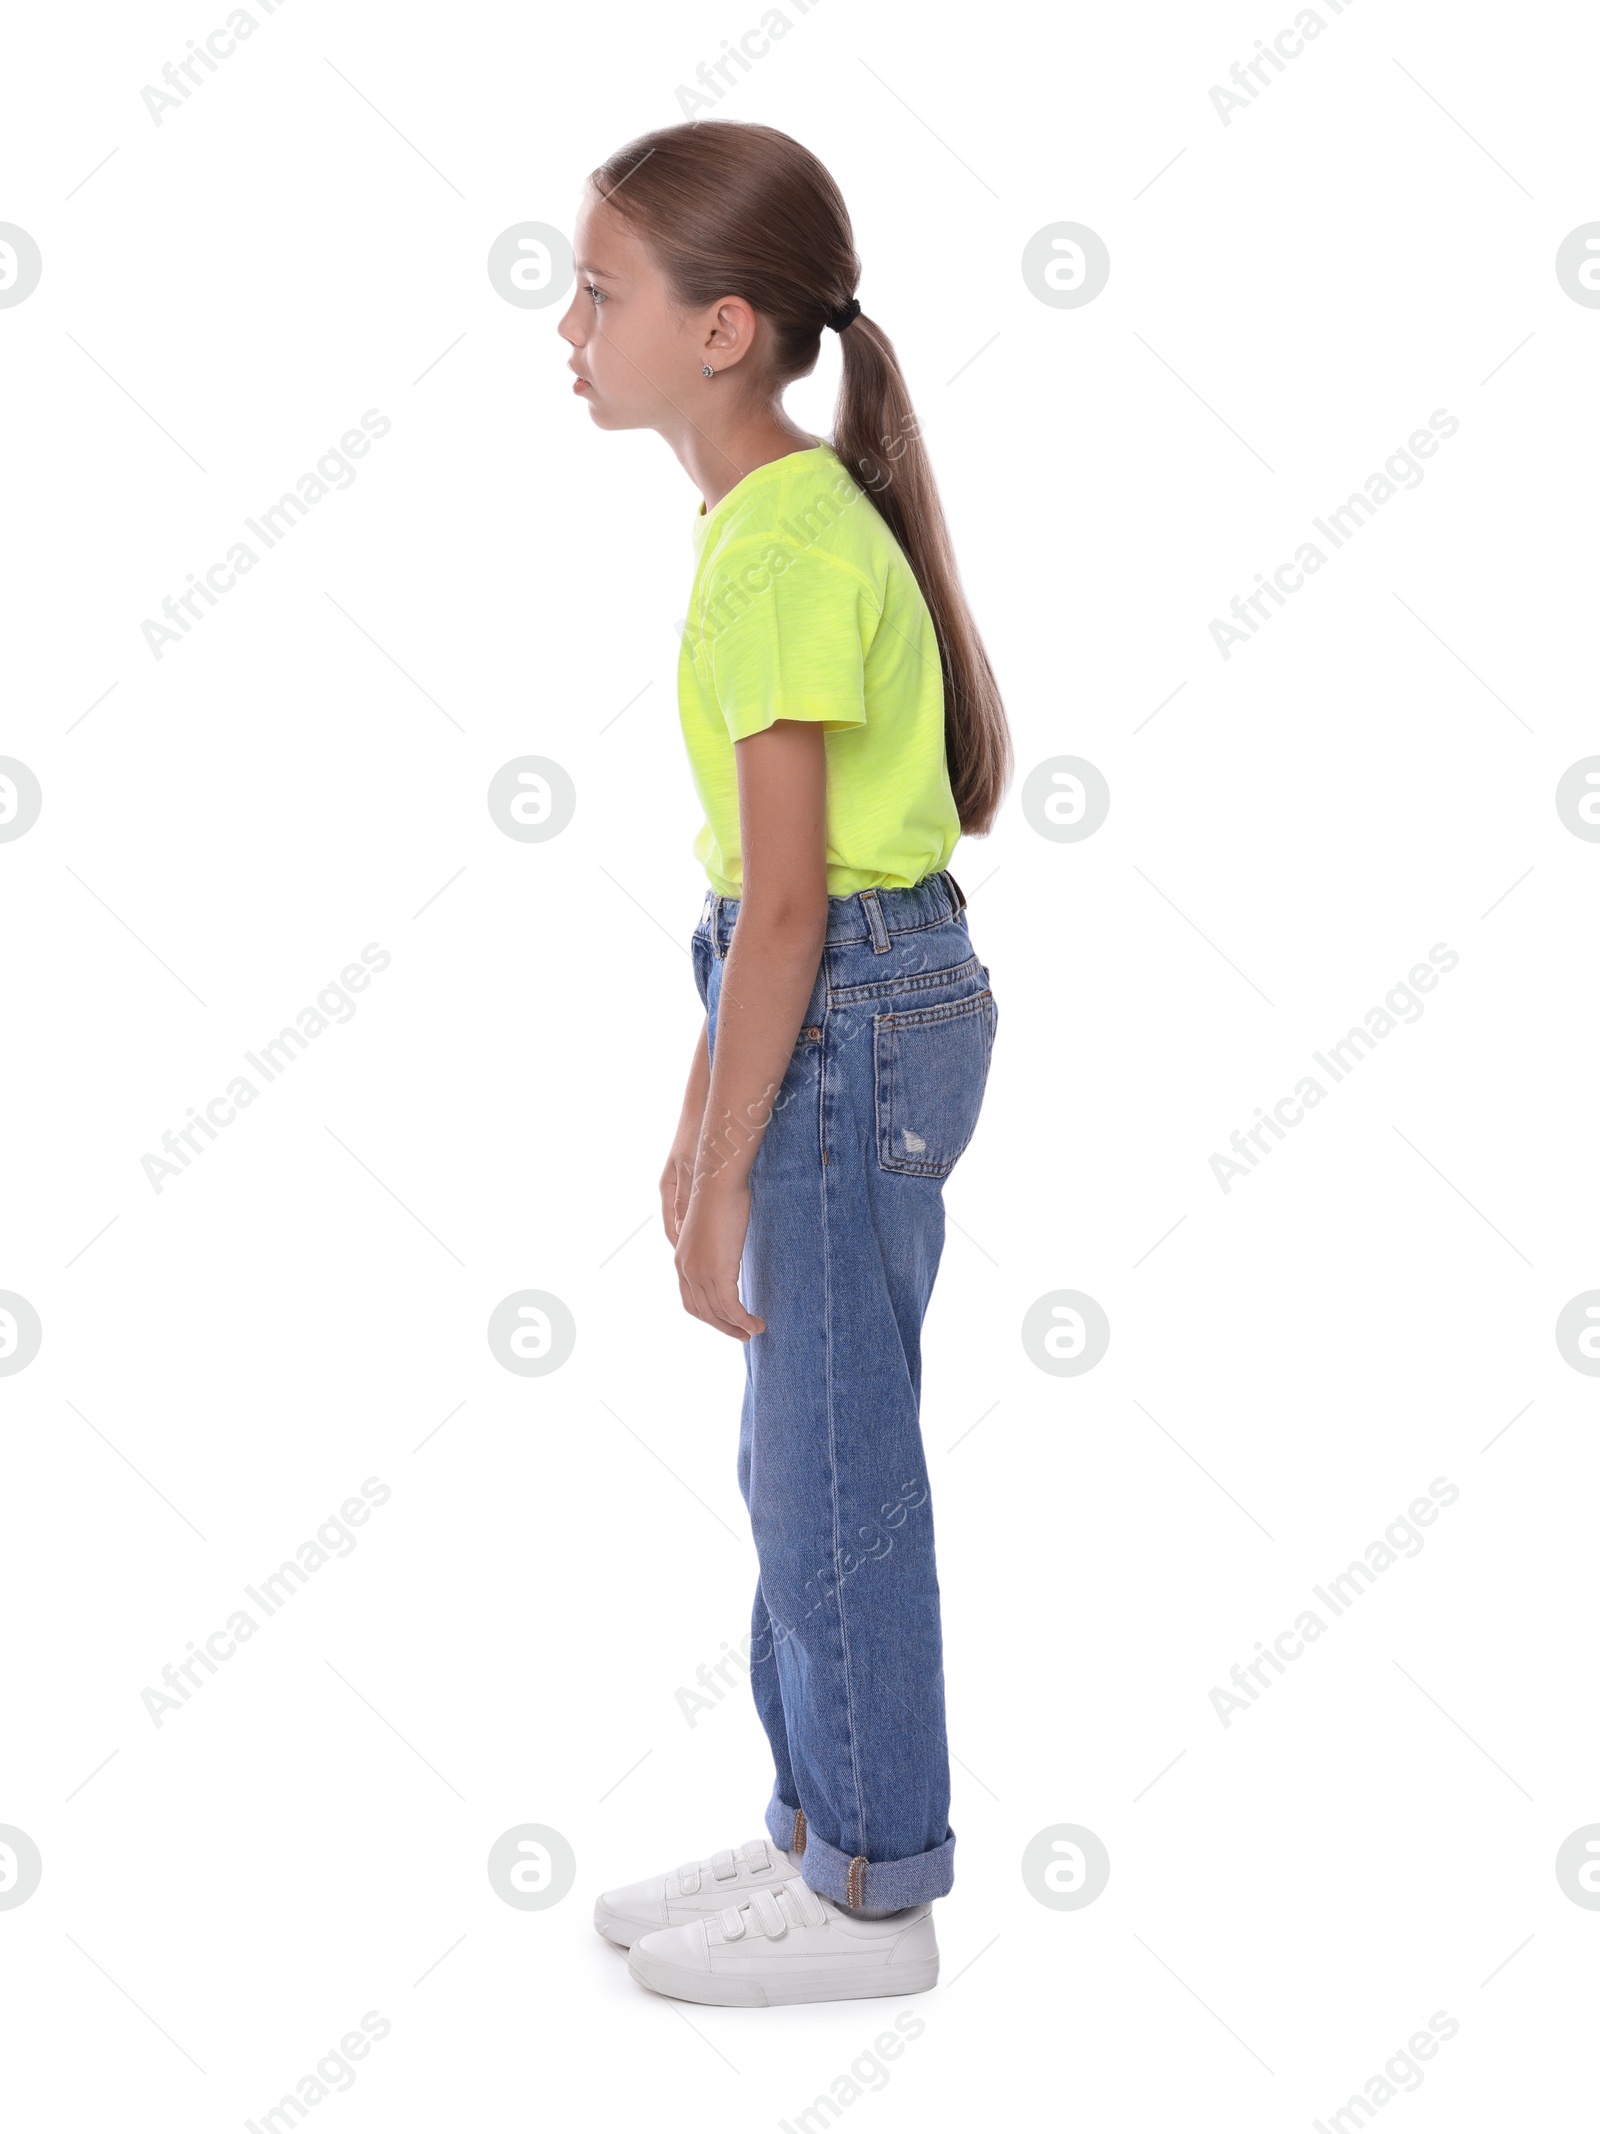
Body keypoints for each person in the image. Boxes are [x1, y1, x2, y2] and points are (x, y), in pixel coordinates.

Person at [559, 120, 1010, 2009]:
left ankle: (871, 1894)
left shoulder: (779, 555)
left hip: (847, 1022)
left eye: (600, 292)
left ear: (725, 329)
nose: (565, 325)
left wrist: (732, 1156)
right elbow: (758, 900)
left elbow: (804, 912)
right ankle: (818, 1833)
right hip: (827, 1010)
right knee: (797, 1461)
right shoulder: (781, 521)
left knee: (834, 1475)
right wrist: (697, 1115)